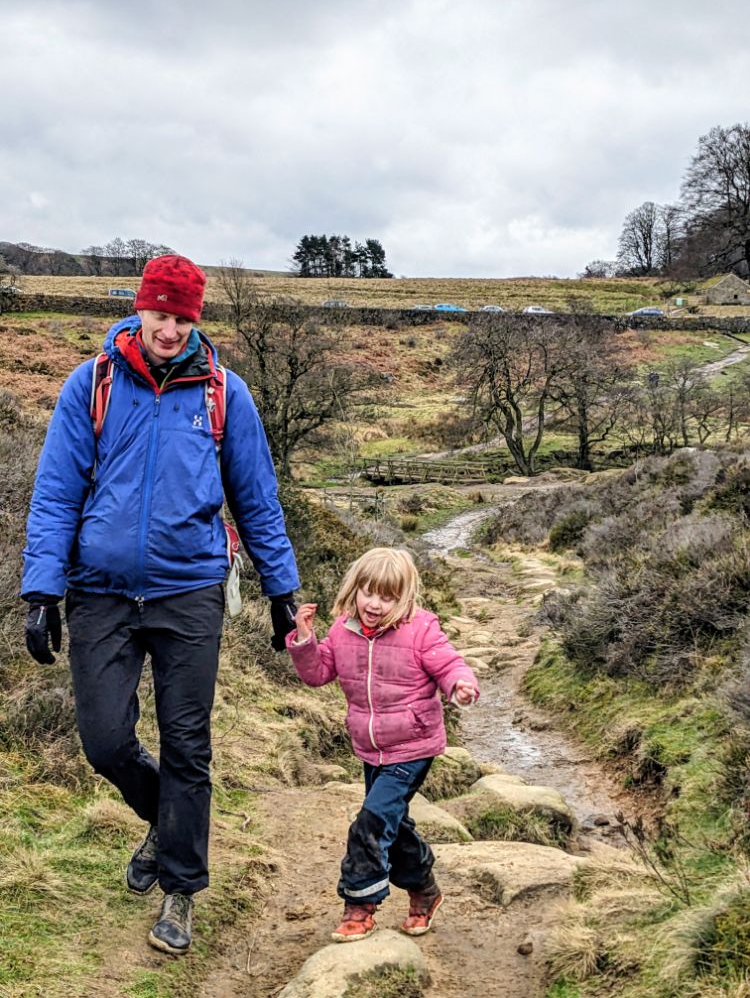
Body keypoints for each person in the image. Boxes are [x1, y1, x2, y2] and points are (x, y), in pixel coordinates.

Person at [22, 254, 299, 955]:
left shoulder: (226, 394)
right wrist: (42, 591)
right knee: (105, 742)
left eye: (182, 318)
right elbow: (56, 493)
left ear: (195, 319)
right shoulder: (92, 384)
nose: (170, 329)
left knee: (187, 745)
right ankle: (166, 825)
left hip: (190, 592)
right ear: (139, 308)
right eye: (160, 314)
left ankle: (180, 890)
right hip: (100, 592)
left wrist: (283, 591)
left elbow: (257, 499)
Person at [286, 546, 479, 943]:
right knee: (395, 824)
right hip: (370, 747)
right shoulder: (342, 629)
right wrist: (305, 640)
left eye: (387, 597)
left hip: (414, 746)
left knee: (370, 823)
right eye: (369, 592)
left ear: (404, 598)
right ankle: (425, 890)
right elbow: (318, 674)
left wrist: (460, 685)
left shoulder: (421, 629)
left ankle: (360, 905)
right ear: (354, 589)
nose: (375, 604)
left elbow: (449, 663)